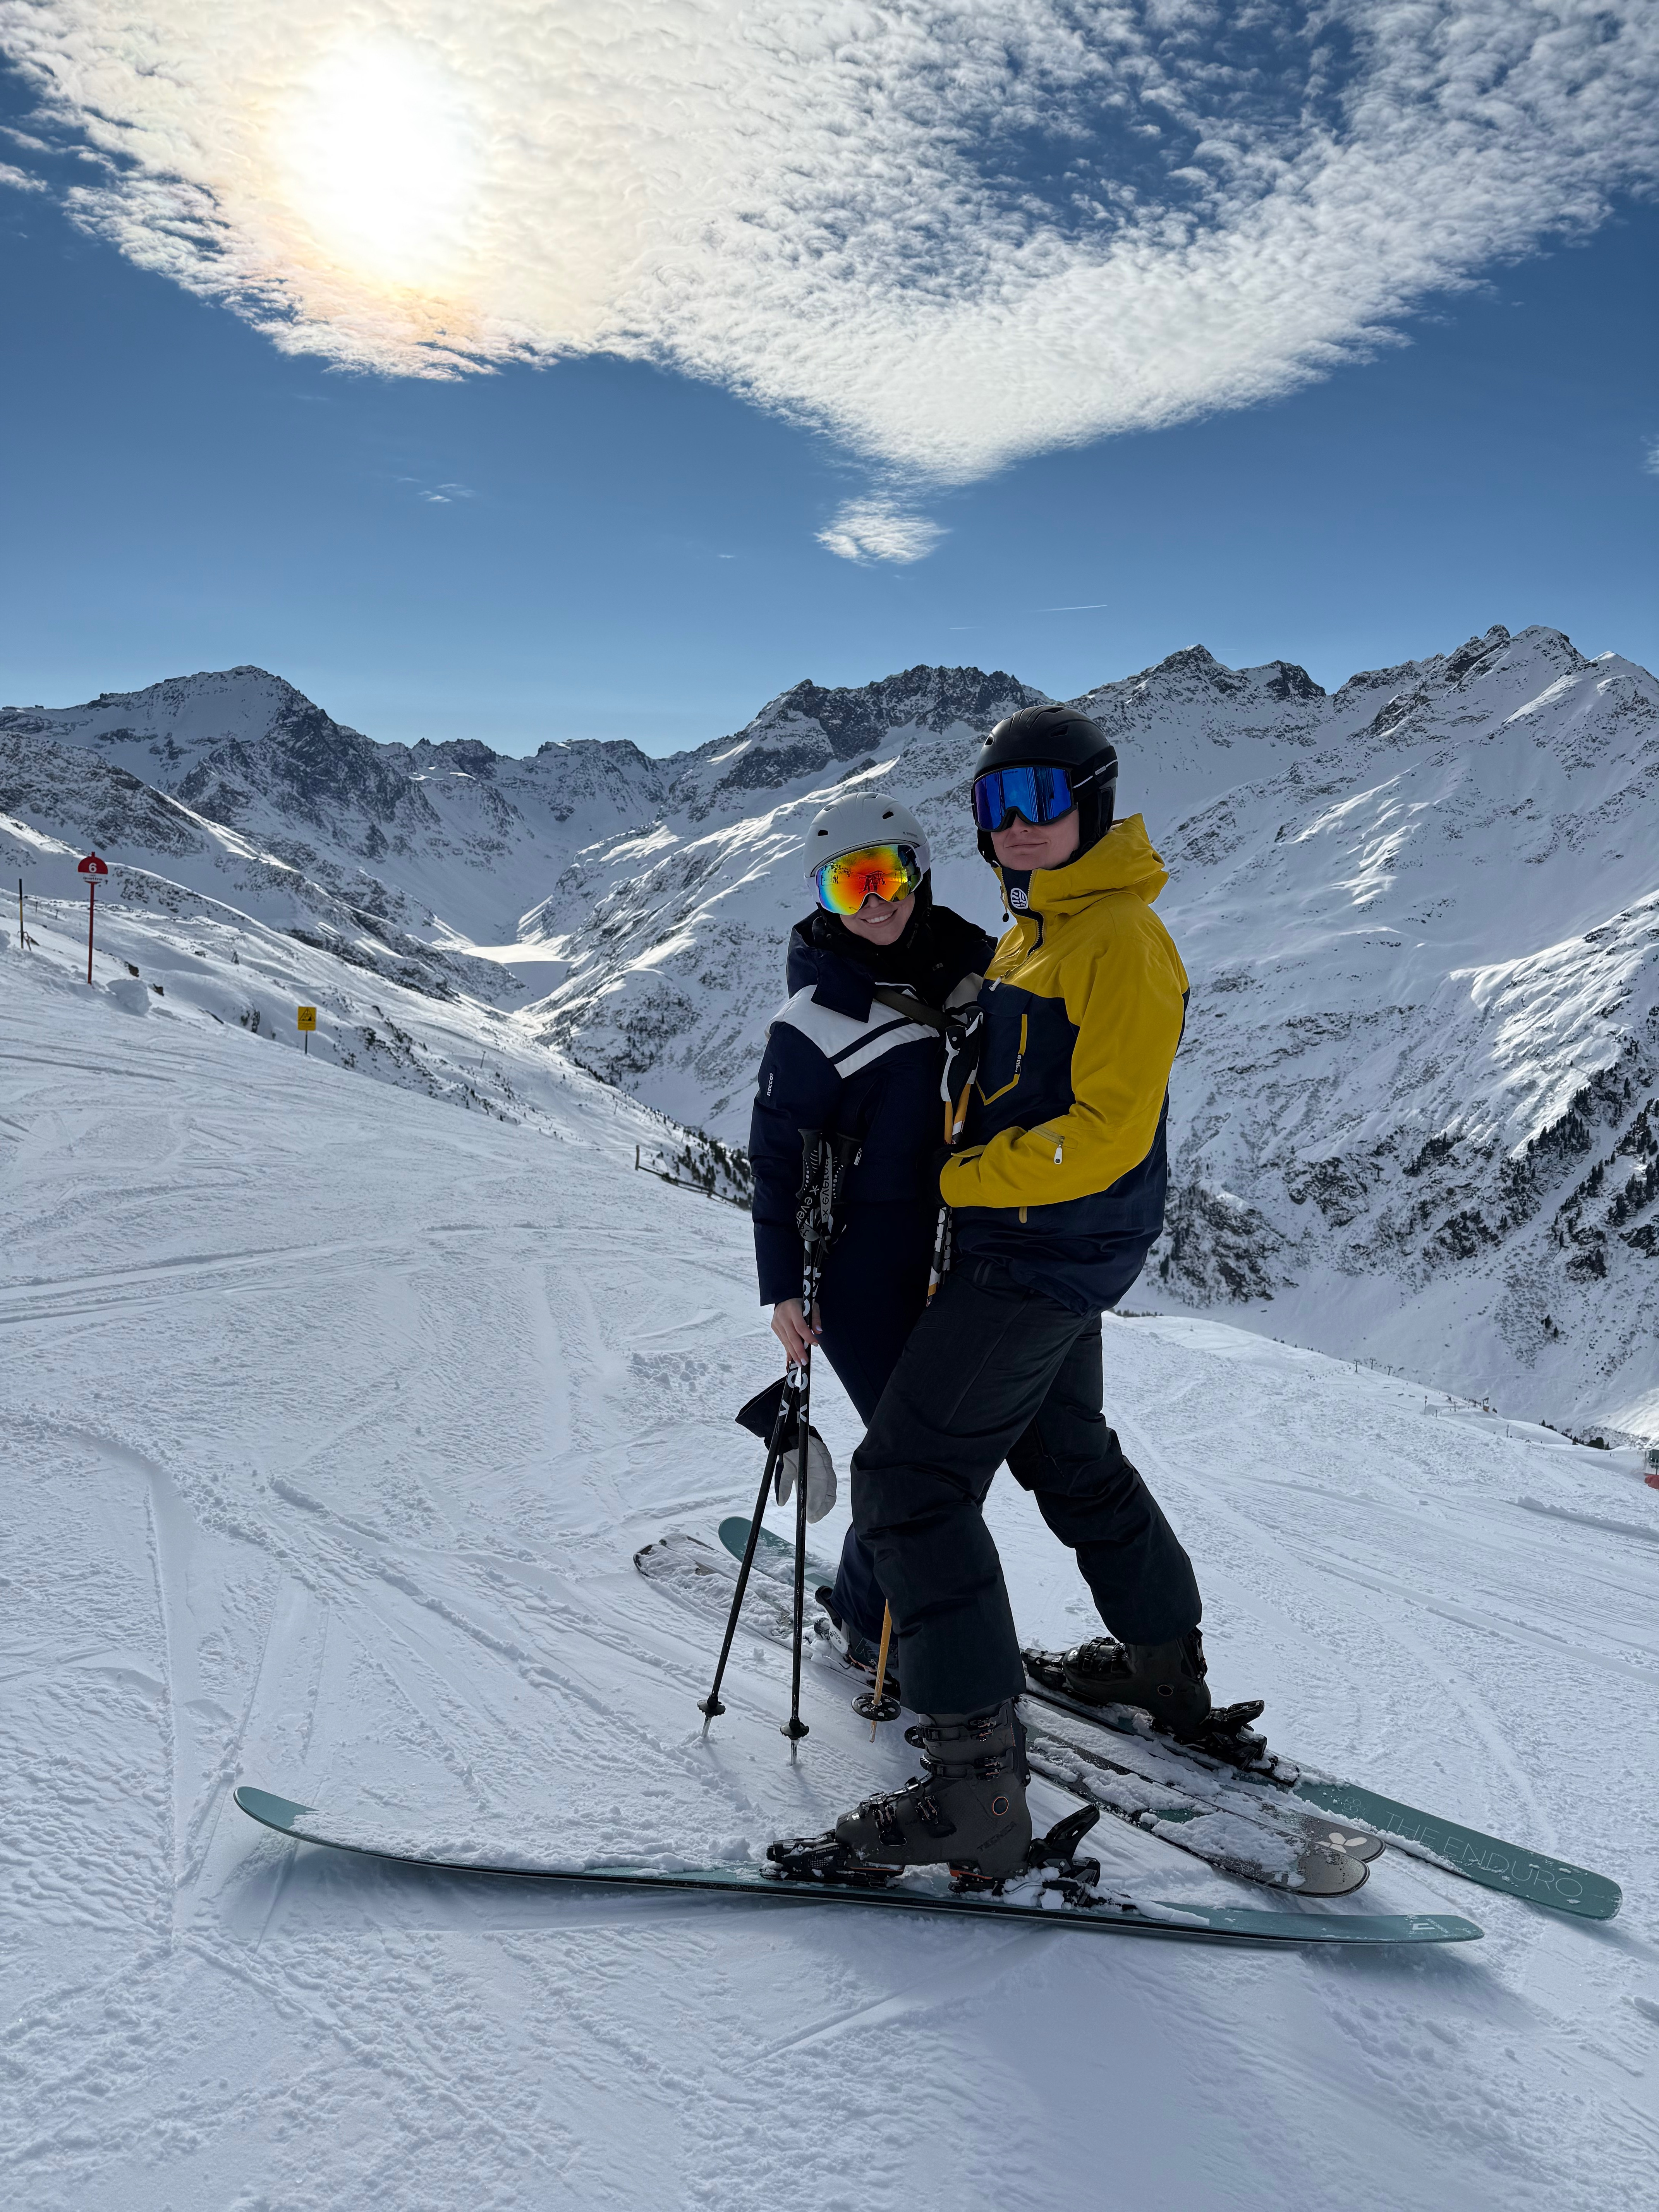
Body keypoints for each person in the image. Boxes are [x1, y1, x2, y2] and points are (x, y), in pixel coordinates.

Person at [797, 706, 1207, 1881]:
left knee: (910, 1481)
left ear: (1093, 803)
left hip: (1036, 1253)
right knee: (1066, 1452)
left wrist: (955, 1176)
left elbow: (1108, 1131)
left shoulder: (1118, 937)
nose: (1016, 826)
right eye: (994, 805)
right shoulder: (1040, 931)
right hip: (1044, 1246)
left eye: (1040, 799)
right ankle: (1163, 1669)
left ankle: (975, 1793)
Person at [747, 792, 996, 1676]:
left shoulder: (982, 973)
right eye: (847, 886)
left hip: (961, 1256)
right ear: (823, 900)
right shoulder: (813, 1024)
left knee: (939, 1456)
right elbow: (775, 1164)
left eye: (885, 876)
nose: (874, 901)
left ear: (918, 872)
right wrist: (783, 1288)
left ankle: (878, 1599)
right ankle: (865, 1612)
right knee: (911, 1456)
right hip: (859, 1273)